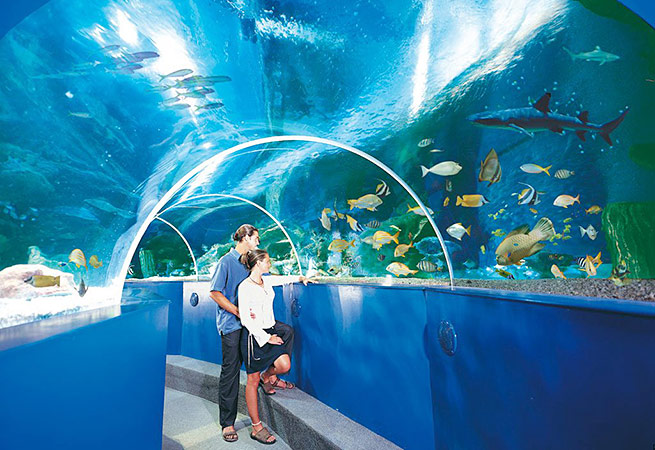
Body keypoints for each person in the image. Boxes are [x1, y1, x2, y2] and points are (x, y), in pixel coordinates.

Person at [237, 249, 312, 445]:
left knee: (284, 365)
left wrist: (300, 277)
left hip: (270, 331)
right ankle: (256, 427)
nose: (270, 264)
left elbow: (281, 279)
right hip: (255, 337)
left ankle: (267, 376)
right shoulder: (245, 287)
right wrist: (266, 337)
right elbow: (245, 319)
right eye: (267, 261)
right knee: (251, 381)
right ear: (258, 263)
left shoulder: (266, 281)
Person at [209, 224, 260, 443]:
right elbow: (214, 293)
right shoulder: (225, 262)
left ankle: (270, 379)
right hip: (231, 325)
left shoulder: (248, 262)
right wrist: (238, 312)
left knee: (256, 362)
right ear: (245, 238)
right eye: (255, 238)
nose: (258, 242)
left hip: (249, 325)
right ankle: (227, 423)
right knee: (230, 372)